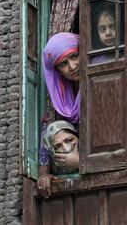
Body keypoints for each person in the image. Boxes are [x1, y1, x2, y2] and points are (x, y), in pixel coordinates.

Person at [37, 32, 80, 198]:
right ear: (58, 71)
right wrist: (43, 174)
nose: (73, 66)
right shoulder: (57, 99)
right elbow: (46, 131)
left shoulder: (100, 84)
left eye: (75, 56)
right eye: (63, 64)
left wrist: (82, 162)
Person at [37, 120, 80, 198]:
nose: (65, 147)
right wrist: (44, 177)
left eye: (70, 140)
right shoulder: (54, 164)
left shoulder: (89, 153)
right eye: (58, 146)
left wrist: (80, 163)